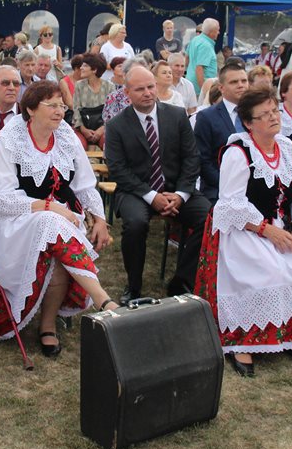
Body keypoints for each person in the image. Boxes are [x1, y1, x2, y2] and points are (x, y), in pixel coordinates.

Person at [0, 81, 117, 354]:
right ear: (30, 109)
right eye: (52, 105)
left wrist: (100, 219)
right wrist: (50, 207)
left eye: (62, 106)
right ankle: (103, 299)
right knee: (51, 221)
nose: (59, 112)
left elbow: (84, 184)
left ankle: (48, 326)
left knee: (56, 235)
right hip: (14, 221)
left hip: (60, 221)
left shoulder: (66, 136)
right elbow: (1, 199)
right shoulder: (9, 142)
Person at [195, 88, 292, 374]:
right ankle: (242, 340)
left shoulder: (287, 148)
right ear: (249, 123)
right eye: (263, 115)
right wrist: (267, 231)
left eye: (274, 111)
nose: (272, 118)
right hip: (243, 229)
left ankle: (290, 334)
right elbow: (231, 204)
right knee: (268, 270)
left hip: (278, 227)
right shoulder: (238, 152)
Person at [105, 66, 211, 301]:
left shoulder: (177, 115)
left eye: (150, 87)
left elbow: (192, 158)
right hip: (136, 191)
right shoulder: (116, 126)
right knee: (135, 224)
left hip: (177, 188)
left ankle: (182, 281)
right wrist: (152, 196)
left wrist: (181, 194)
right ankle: (133, 286)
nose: (147, 93)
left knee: (209, 218)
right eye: (140, 89)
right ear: (127, 92)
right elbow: (118, 170)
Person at [194, 62, 250, 203]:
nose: (241, 85)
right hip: (219, 189)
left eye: (244, 81)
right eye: (234, 82)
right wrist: (229, 185)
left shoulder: (256, 113)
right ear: (221, 88)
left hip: (255, 188)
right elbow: (203, 161)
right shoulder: (207, 117)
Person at [72, 53, 114, 150]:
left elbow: (112, 113)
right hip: (82, 127)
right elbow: (76, 110)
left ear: (94, 69)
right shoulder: (79, 85)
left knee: (109, 142)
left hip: (103, 127)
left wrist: (101, 130)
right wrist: (83, 129)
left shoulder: (109, 87)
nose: (81, 68)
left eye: (85, 65)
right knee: (78, 145)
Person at [185, 18, 219, 94]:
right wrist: (204, 92)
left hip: (191, 83)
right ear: (211, 32)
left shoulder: (195, 39)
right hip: (199, 88)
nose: (218, 32)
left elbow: (187, 58)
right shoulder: (206, 45)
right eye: (217, 30)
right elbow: (199, 68)